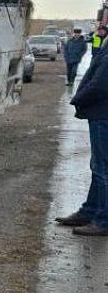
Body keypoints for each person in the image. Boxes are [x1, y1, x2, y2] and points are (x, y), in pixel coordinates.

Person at [55, 40, 108, 236]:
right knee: (98, 166)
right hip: (100, 114)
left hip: (103, 115)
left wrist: (79, 98)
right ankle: (90, 211)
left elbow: (100, 85)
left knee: (103, 169)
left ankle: (103, 220)